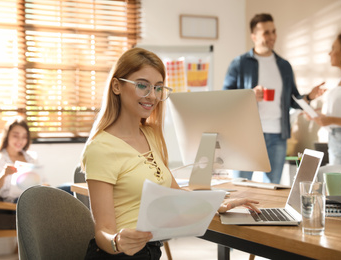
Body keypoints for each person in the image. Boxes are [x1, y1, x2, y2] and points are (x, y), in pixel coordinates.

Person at [81, 47, 260, 260]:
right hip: (118, 255)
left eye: (158, 88)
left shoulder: (151, 135)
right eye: (142, 86)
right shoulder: (101, 148)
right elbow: (103, 232)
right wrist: (117, 241)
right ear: (117, 86)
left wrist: (217, 204)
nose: (152, 96)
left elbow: (176, 196)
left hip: (150, 252)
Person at [223, 13, 325, 184]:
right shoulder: (239, 63)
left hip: (278, 135)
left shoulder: (284, 66)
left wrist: (309, 96)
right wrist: (249, 95)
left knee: (272, 187)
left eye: (273, 31)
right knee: (240, 185)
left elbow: (293, 100)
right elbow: (225, 98)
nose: (272, 37)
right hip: (247, 134)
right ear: (254, 36)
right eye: (266, 33)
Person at [0, 116, 72, 203]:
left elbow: (43, 182)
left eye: (24, 137)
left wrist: (45, 186)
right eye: (16, 136)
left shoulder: (31, 157)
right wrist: (4, 175)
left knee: (71, 188)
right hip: (18, 202)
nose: (20, 140)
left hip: (37, 196)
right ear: (7, 135)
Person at [310, 29, 341, 176]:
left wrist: (331, 119)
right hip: (336, 148)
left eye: (333, 49)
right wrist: (319, 116)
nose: (329, 53)